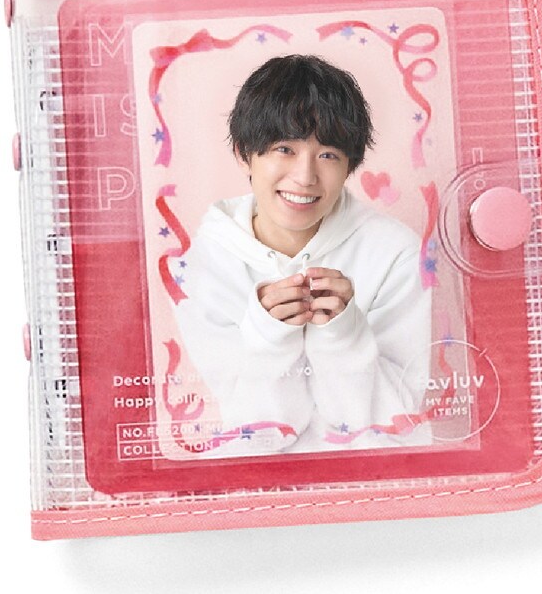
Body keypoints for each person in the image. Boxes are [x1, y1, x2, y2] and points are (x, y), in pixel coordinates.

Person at [169, 55, 431, 453]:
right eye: (284, 149)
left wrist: (344, 335)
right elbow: (259, 433)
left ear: (350, 166)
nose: (305, 176)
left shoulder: (395, 253)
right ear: (244, 153)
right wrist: (270, 340)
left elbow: (395, 424)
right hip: (255, 482)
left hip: (376, 477)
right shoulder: (202, 267)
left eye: (328, 155)